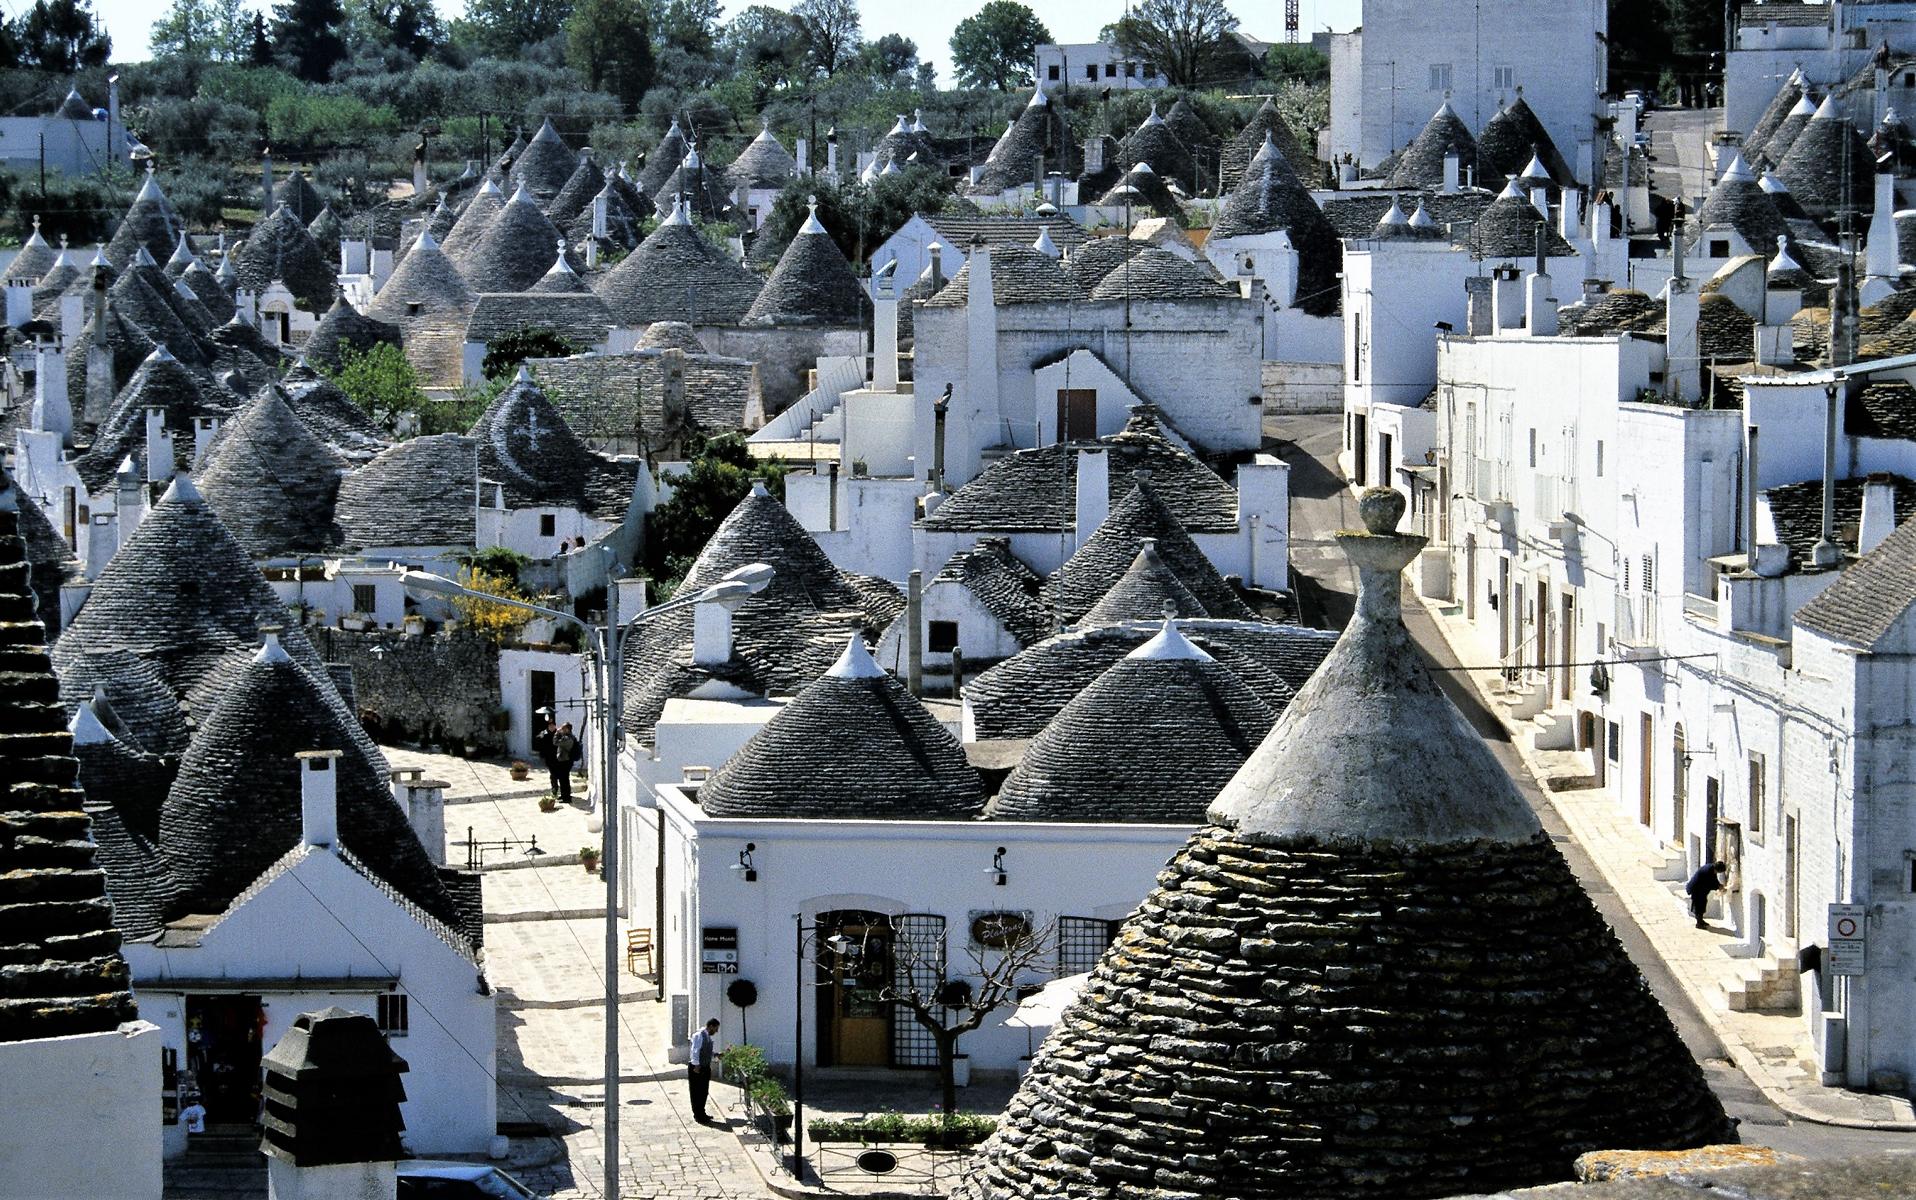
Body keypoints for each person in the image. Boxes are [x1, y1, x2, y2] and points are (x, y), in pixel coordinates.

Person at [688, 1018, 720, 1123]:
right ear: (711, 1026)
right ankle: (698, 1115)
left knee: (703, 1091)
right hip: (697, 1067)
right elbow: (695, 1051)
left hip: (705, 1067)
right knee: (696, 1092)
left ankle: (702, 1112)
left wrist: (716, 1055)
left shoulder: (707, 1037)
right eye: (715, 1029)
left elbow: (706, 1052)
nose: (716, 1031)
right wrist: (696, 1065)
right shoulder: (699, 1035)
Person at [1686, 861, 1728, 929]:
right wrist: (1718, 887)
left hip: (1700, 889)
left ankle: (1700, 921)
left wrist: (1718, 885)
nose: (1718, 873)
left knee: (1702, 903)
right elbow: (1709, 884)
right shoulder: (1707, 871)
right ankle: (1699, 924)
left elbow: (1714, 879)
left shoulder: (1711, 868)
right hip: (1696, 888)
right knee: (1699, 905)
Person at [533, 712, 562, 799]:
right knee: (553, 774)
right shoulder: (544, 733)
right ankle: (554, 789)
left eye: (553, 725)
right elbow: (537, 742)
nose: (552, 727)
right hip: (549, 757)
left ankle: (559, 789)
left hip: (558, 756)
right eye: (550, 726)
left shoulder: (558, 733)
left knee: (559, 773)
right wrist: (540, 737)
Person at [553, 722, 579, 803]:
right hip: (563, 760)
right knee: (562, 779)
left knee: (564, 780)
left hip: (566, 761)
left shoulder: (568, 738)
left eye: (563, 728)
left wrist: (557, 733)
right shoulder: (567, 737)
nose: (561, 729)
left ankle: (567, 798)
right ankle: (564, 795)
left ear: (567, 729)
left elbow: (555, 742)